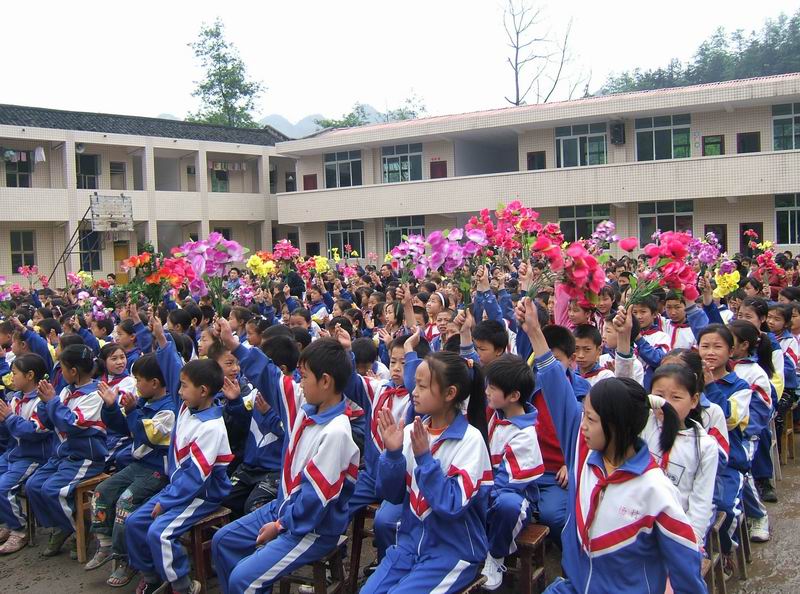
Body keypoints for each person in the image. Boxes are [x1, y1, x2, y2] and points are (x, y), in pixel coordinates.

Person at [516, 297, 706, 593]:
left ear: (615, 425)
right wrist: (534, 333)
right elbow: (557, 390)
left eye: (590, 419)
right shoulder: (582, 451)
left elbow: (686, 571)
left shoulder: (655, 489)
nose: (582, 426)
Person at [211, 336, 359, 594]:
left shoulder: (336, 433)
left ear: (325, 381)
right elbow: (270, 376)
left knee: (242, 579)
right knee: (223, 541)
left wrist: (280, 526)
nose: (298, 383)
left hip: (312, 529)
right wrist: (235, 346)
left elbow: (314, 502)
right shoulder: (307, 406)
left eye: (304, 377)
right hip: (287, 507)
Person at [360, 350, 492, 594]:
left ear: (450, 393)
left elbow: (451, 505)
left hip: (452, 553)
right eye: (415, 385)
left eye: (422, 386)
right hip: (410, 546)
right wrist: (393, 455)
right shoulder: (414, 431)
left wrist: (424, 459)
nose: (414, 392)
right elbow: (393, 495)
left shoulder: (470, 441)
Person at [125, 316, 233, 594]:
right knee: (136, 522)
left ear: (203, 390)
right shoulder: (188, 405)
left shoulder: (210, 426)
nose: (179, 389)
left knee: (159, 532)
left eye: (184, 386)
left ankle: (183, 585)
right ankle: (152, 577)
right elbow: (174, 368)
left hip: (203, 494)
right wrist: (160, 338)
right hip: (180, 489)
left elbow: (196, 477)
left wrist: (168, 501)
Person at [87, 352, 176, 587]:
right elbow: (123, 428)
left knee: (125, 504)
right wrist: (110, 408)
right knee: (103, 491)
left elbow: (146, 435)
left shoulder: (168, 410)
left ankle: (126, 559)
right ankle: (106, 544)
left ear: (155, 383)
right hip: (138, 465)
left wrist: (133, 411)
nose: (135, 384)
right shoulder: (143, 403)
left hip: (157, 471)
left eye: (138, 379)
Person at [26, 344, 107, 557]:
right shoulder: (66, 391)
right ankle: (60, 527)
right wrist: (44, 403)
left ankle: (79, 530)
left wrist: (52, 401)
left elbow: (71, 424)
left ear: (73, 371)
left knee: (53, 490)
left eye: (62, 367)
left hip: (86, 457)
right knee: (33, 486)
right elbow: (48, 420)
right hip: (63, 455)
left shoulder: (95, 394)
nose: (59, 372)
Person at [481, 354, 543, 590]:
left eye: (493, 388)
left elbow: (507, 484)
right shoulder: (493, 415)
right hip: (486, 490)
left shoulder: (525, 433)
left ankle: (495, 557)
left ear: (514, 396)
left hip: (513, 498)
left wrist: (478, 499)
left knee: (507, 505)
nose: (487, 391)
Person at [0, 354, 52, 553]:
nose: (11, 378)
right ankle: (7, 521)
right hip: (14, 453)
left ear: (30, 375)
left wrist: (10, 418)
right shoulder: (15, 398)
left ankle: (20, 530)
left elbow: (34, 431)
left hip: (34, 456)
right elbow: (9, 432)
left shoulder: (42, 401)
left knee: (3, 487)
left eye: (15, 374)